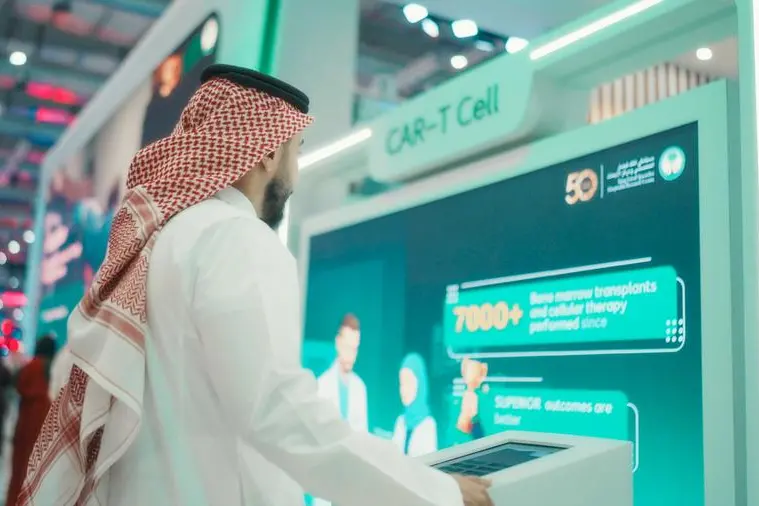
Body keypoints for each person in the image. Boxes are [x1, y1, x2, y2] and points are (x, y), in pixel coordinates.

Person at [17, 65, 492, 506]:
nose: (296, 174)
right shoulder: (236, 237)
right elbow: (277, 411)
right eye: (296, 151)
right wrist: (437, 492)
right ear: (267, 152)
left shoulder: (162, 241)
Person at [6, 336, 56, 506]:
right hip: (46, 421)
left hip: (26, 422)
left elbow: (16, 383)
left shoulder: (31, 367)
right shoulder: (54, 368)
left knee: (20, 469)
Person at [316, 314, 367, 432]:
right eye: (347, 347)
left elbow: (363, 433)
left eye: (354, 349)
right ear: (338, 343)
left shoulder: (360, 388)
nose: (351, 355)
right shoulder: (322, 385)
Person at [393, 353, 438, 457]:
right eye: (402, 384)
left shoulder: (428, 424)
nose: (404, 390)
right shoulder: (400, 422)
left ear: (420, 385)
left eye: (409, 383)